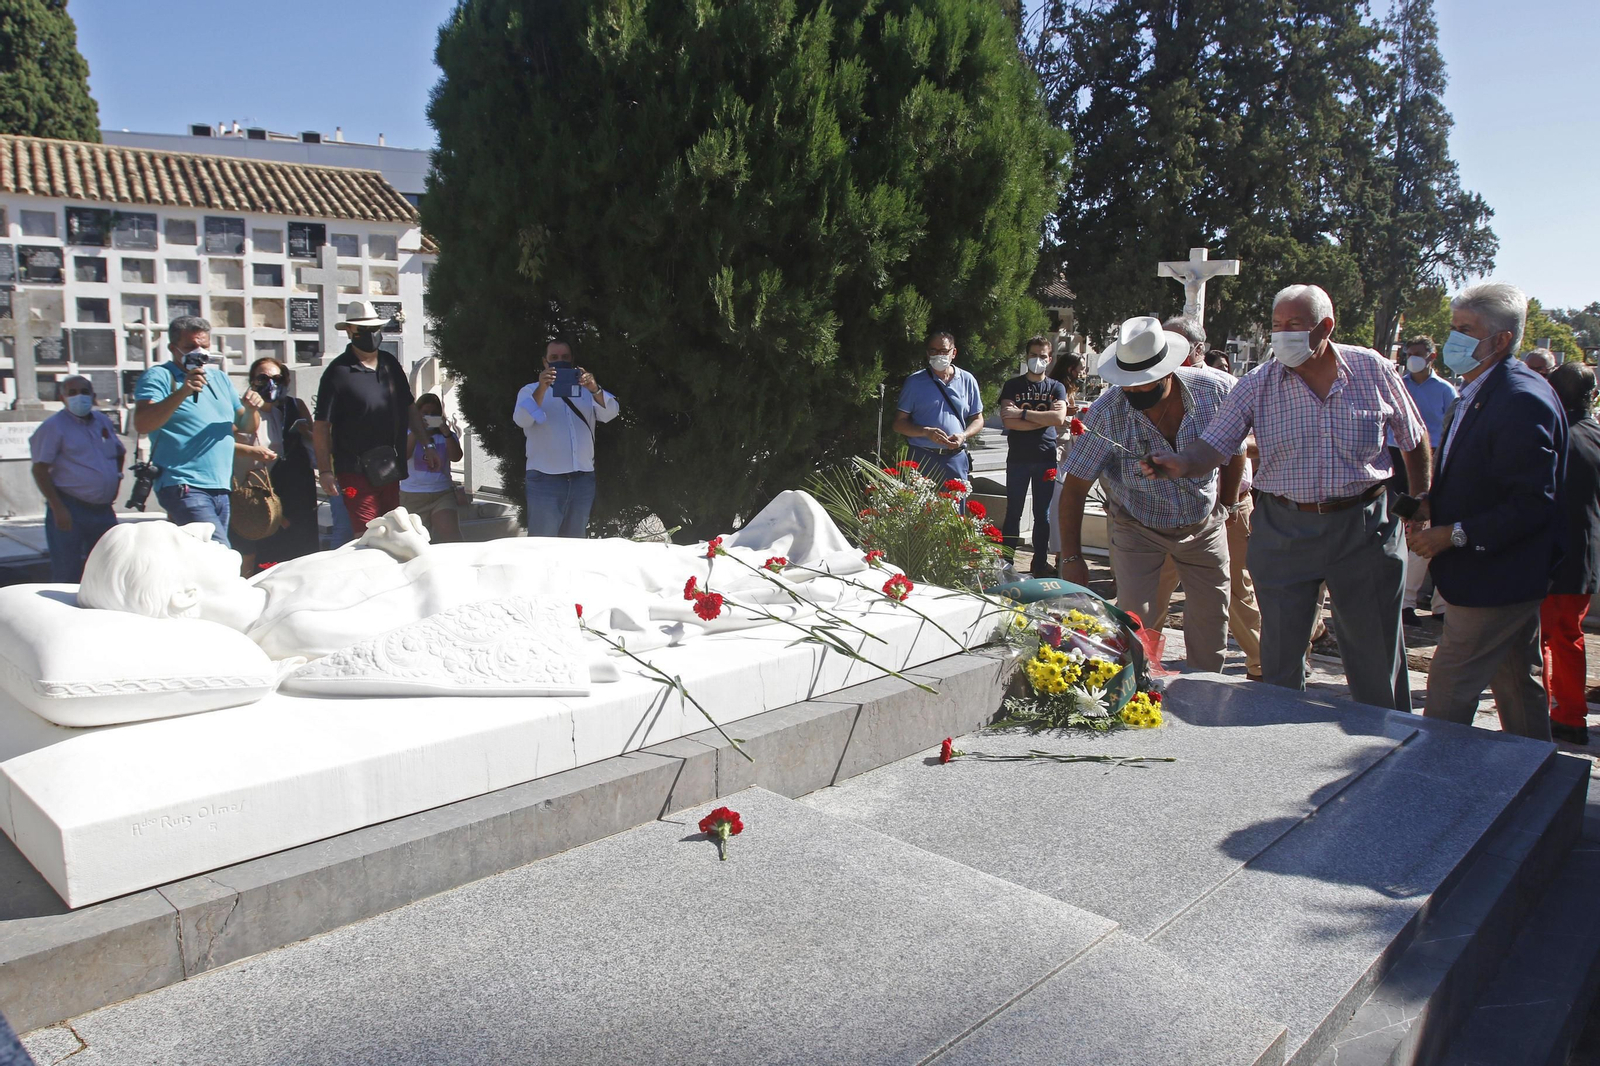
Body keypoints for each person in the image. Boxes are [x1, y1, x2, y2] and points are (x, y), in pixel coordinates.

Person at [1144, 284, 1431, 711]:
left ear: (1325, 327)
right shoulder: (1258, 383)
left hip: (1364, 525)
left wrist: (1421, 498)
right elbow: (1216, 444)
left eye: (1294, 325)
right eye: (1277, 325)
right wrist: (1182, 462)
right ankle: (1277, 735)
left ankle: (1388, 735)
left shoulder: (1370, 368)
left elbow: (1413, 437)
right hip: (1284, 528)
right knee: (1279, 654)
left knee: (1376, 651)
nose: (1282, 334)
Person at [1408, 283, 1565, 740]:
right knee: (1515, 683)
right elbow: (1485, 476)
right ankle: (1536, 768)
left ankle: (1427, 775)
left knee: (1449, 690)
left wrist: (1452, 533)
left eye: (1466, 329)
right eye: (1453, 327)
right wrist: (1432, 501)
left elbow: (1532, 502)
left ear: (1501, 339)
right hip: (1499, 575)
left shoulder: (1519, 398)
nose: (1453, 339)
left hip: (1495, 576)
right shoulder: (1481, 388)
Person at [1058, 316, 1243, 672]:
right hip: (1138, 527)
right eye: (1127, 386)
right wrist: (1072, 558)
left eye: (1144, 386)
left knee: (1211, 623)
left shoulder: (1215, 391)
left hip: (1203, 525)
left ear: (1168, 372)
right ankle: (1140, 688)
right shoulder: (1106, 413)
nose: (1134, 394)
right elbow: (1075, 489)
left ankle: (1204, 691)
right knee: (1134, 623)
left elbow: (1234, 450)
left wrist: (1229, 503)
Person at [133, 316, 264, 546]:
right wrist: (183, 392)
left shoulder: (219, 378)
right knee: (217, 551)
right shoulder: (160, 376)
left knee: (198, 555)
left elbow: (245, 426)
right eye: (190, 347)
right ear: (173, 348)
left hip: (220, 486)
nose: (198, 352)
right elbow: (143, 423)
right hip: (184, 484)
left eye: (203, 346)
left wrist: (252, 409)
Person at [313, 301, 436, 538]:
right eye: (363, 330)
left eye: (374, 329)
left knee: (393, 531)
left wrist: (427, 445)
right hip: (354, 468)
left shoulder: (391, 364)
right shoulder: (337, 372)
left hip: (388, 465)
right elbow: (321, 426)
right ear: (350, 331)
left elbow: (409, 407)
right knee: (368, 534)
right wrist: (325, 470)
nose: (370, 334)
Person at [1541, 363, 1600, 744]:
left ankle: (1548, 713)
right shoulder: (1594, 433)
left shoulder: (1554, 435)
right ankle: (1570, 713)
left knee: (1543, 639)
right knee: (1567, 636)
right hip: (1584, 555)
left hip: (1551, 556)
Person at [512, 339, 619, 538]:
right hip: (545, 480)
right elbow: (522, 420)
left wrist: (594, 388)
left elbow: (610, 413)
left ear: (572, 360)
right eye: (554, 358)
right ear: (545, 362)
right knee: (543, 544)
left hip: (582, 479)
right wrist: (542, 388)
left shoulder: (586, 391)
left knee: (575, 544)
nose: (559, 361)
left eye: (565, 357)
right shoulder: (530, 390)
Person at [1389, 336, 1457, 625]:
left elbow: (1452, 428)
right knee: (1399, 527)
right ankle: (1403, 601)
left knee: (1426, 526)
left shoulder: (1445, 391)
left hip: (1432, 461)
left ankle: (1441, 605)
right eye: (1409, 353)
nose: (1412, 358)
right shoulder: (1398, 384)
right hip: (1397, 460)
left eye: (1418, 353)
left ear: (1432, 356)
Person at [29, 376, 124, 582]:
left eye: (84, 391)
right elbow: (40, 470)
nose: (79, 396)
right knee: (67, 571)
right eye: (72, 393)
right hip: (70, 507)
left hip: (103, 510)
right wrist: (57, 507)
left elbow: (119, 452)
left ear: (93, 396)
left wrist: (116, 479)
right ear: (62, 398)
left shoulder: (102, 422)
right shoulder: (53, 427)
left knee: (108, 569)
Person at [232, 358, 319, 574]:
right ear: (252, 381)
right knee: (252, 555)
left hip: (285, 489)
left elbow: (310, 440)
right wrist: (252, 451)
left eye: (277, 378)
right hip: (251, 493)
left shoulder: (288, 408)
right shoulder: (241, 409)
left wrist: (306, 433)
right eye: (262, 378)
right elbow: (225, 444)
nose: (270, 384)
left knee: (292, 553)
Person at [998, 336, 1069, 576]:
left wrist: (1023, 414)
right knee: (1013, 512)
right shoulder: (1013, 385)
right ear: (1026, 356)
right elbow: (1008, 420)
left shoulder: (1056, 387)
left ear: (1050, 359)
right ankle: (1007, 563)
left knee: (1042, 515)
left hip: (1045, 457)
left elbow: (1058, 418)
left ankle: (1039, 563)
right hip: (1018, 458)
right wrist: (1042, 419)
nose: (1037, 360)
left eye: (1042, 356)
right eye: (1033, 355)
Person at [893, 331, 984, 487]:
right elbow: (898, 424)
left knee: (955, 503)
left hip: (955, 458)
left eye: (943, 351)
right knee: (921, 503)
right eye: (933, 351)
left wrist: (963, 435)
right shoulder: (914, 382)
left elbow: (978, 419)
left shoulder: (967, 380)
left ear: (953, 353)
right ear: (927, 353)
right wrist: (926, 432)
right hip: (922, 457)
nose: (938, 355)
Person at [399, 392, 466, 543]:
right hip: (413, 494)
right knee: (416, 541)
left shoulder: (446, 435)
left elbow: (456, 457)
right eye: (425, 413)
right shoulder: (407, 433)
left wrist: (446, 432)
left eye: (434, 414)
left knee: (450, 534)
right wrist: (417, 430)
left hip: (442, 493)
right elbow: (404, 456)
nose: (429, 417)